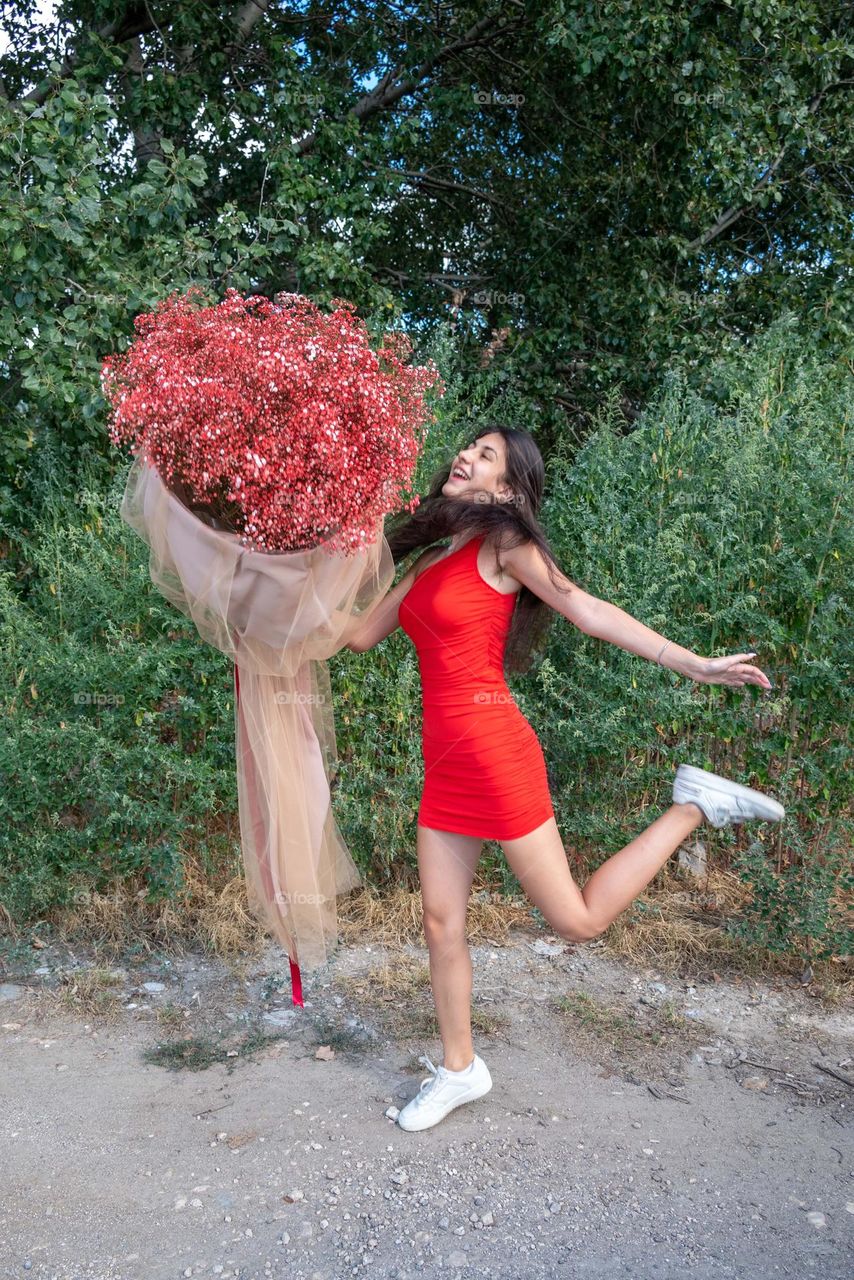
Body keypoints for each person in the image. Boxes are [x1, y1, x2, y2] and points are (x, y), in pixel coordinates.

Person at [343, 426, 784, 1133]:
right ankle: (461, 1069)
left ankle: (694, 805)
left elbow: (588, 610)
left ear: (509, 490)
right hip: (448, 762)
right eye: (469, 447)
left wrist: (695, 663)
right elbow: (358, 635)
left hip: (495, 752)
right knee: (440, 922)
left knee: (578, 921)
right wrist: (274, 596)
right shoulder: (429, 558)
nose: (467, 457)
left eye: (486, 456)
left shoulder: (503, 549)